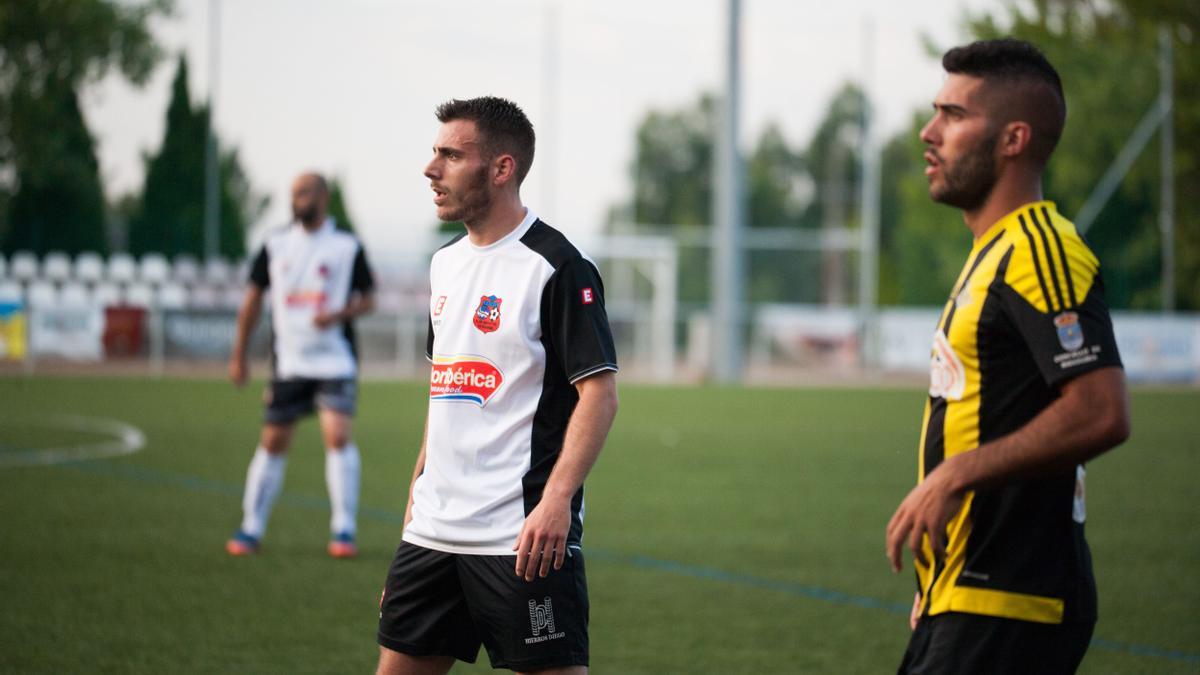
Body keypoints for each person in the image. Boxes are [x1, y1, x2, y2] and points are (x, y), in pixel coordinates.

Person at [884, 39, 1131, 673]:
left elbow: (1101, 410)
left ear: (1014, 139)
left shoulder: (1040, 250)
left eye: (954, 115)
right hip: (965, 595)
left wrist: (954, 474)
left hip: (1008, 600)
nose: (928, 131)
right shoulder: (993, 254)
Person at [376, 97, 619, 675]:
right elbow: (444, 400)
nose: (431, 169)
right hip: (432, 535)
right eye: (435, 153)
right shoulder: (444, 265)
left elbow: (599, 394)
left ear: (501, 168)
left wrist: (557, 501)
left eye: (451, 155)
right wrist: (414, 511)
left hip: (521, 539)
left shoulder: (557, 266)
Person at [225, 171, 376, 559]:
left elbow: (369, 298)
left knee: (338, 435)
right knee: (272, 442)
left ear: (323, 197)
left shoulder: (346, 246)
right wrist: (239, 354)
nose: (298, 199)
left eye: (305, 193)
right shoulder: (275, 244)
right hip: (288, 363)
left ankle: (344, 529)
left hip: (335, 361)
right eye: (294, 193)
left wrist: (338, 314)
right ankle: (251, 527)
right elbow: (253, 300)